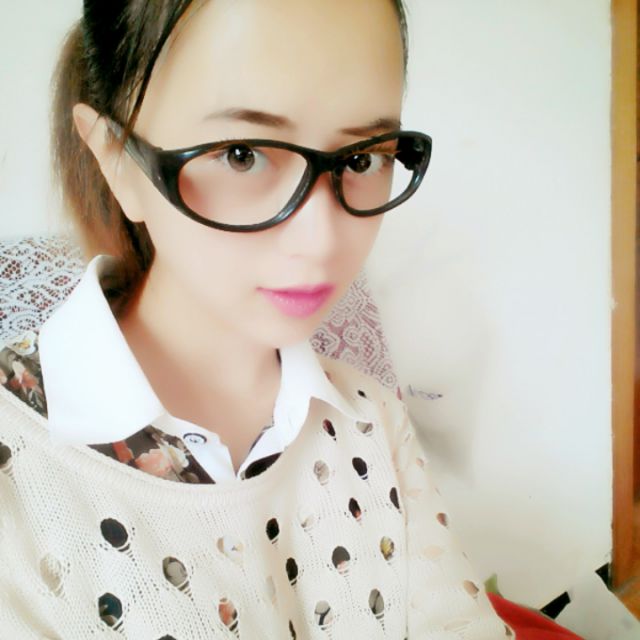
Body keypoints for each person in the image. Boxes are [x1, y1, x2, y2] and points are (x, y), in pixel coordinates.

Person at [0, 1, 517, 637]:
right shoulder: (17, 470)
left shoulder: (373, 421)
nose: (321, 239)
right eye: (242, 154)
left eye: (362, 159)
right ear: (116, 157)